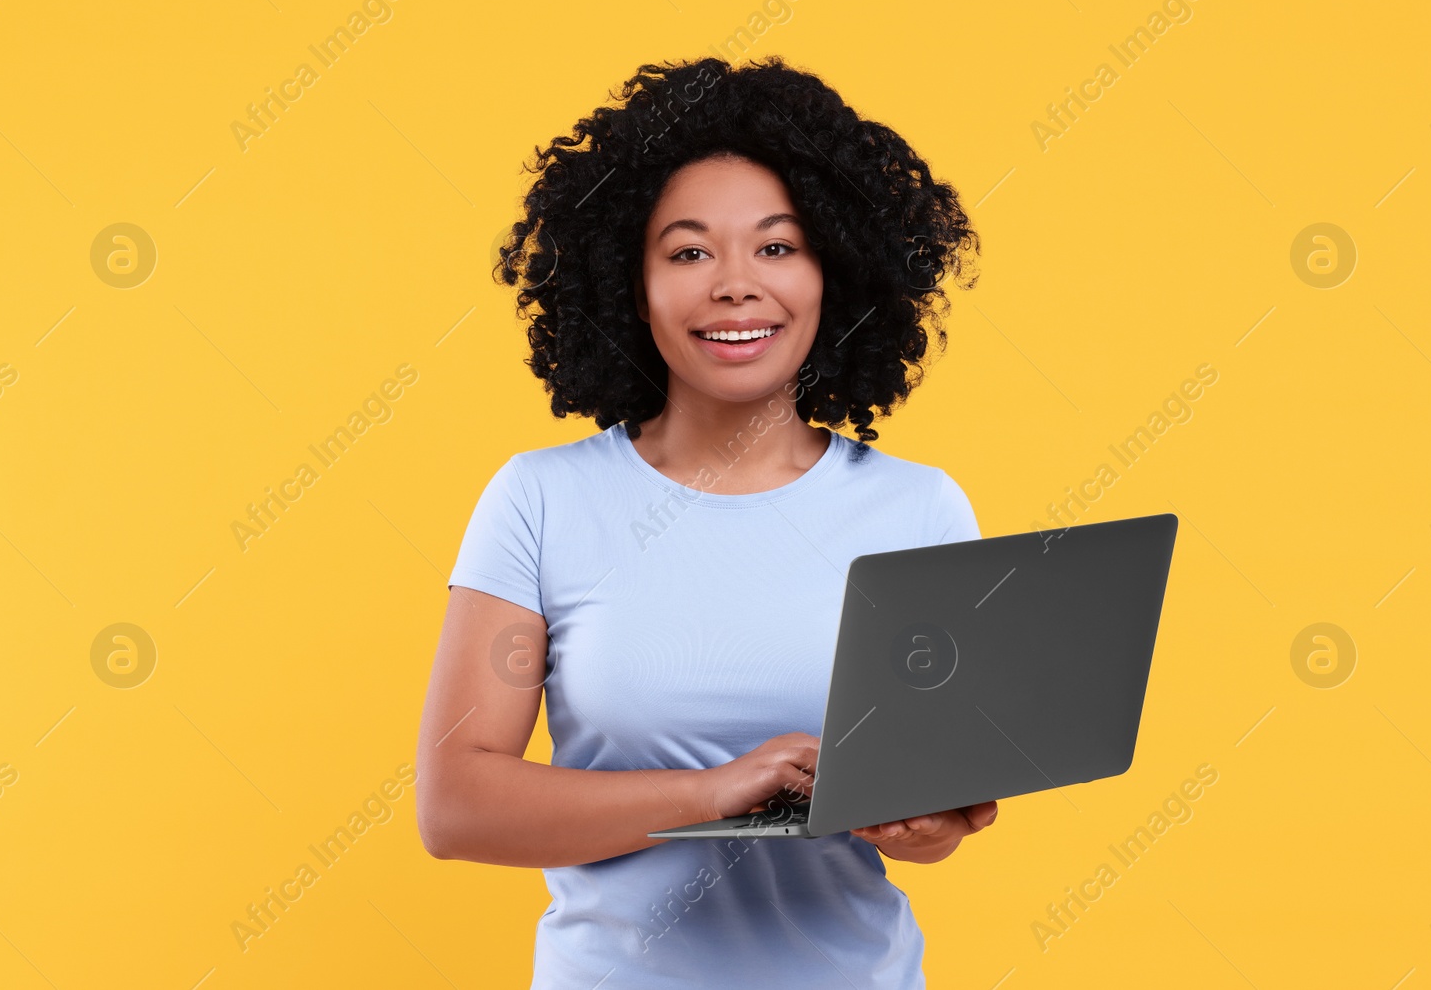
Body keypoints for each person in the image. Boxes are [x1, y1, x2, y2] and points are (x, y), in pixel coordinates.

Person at [416, 54, 999, 988]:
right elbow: (456, 804)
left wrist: (926, 821)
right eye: (689, 251)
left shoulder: (919, 509)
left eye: (777, 246)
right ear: (627, 282)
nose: (735, 285)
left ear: (835, 274)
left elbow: (934, 826)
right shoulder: (540, 500)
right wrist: (715, 791)